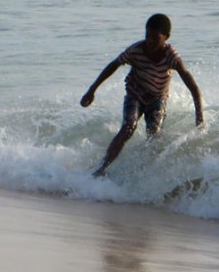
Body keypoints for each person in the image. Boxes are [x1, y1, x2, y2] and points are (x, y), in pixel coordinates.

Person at [80, 13, 203, 176]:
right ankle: (102, 167)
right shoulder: (136, 50)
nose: (150, 42)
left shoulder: (171, 56)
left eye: (155, 38)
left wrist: (199, 115)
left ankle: (142, 173)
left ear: (166, 37)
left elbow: (192, 86)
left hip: (158, 99)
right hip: (135, 94)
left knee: (154, 135)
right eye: (147, 36)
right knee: (128, 127)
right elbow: (114, 65)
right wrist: (92, 90)